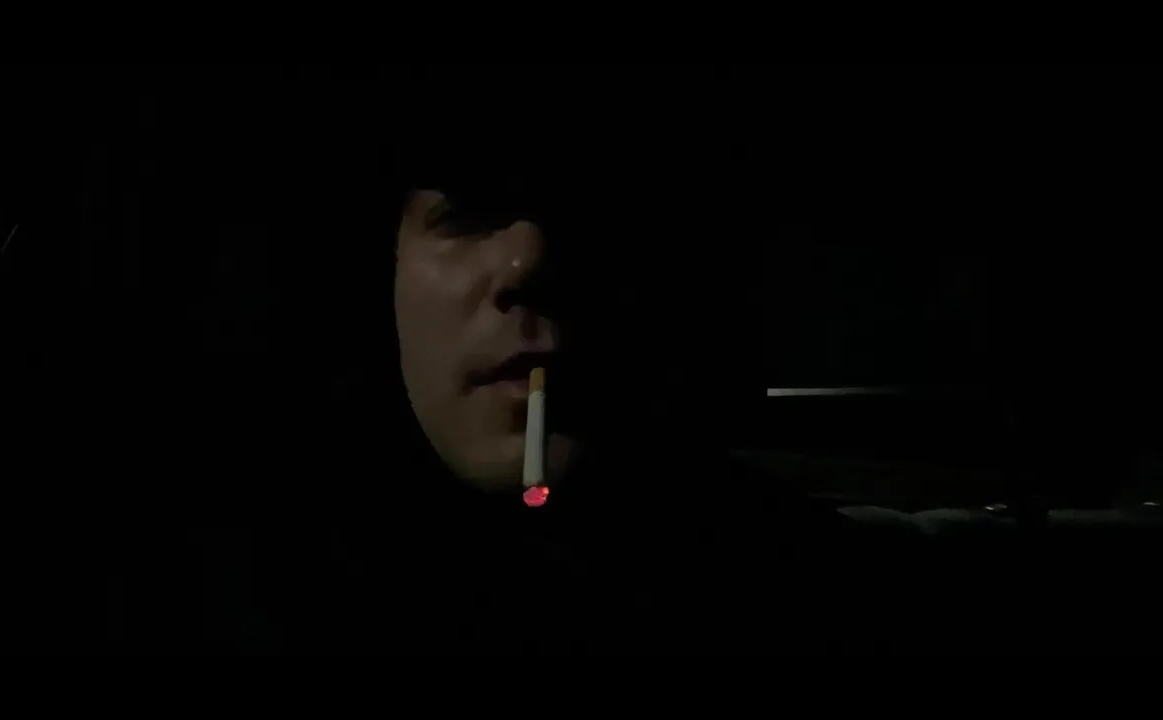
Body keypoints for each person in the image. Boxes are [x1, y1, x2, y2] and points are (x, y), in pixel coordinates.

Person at [106, 70, 924, 654]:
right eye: (469, 214)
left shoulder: (808, 592)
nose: (529, 261)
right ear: (376, 279)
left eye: (588, 207)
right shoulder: (222, 595)